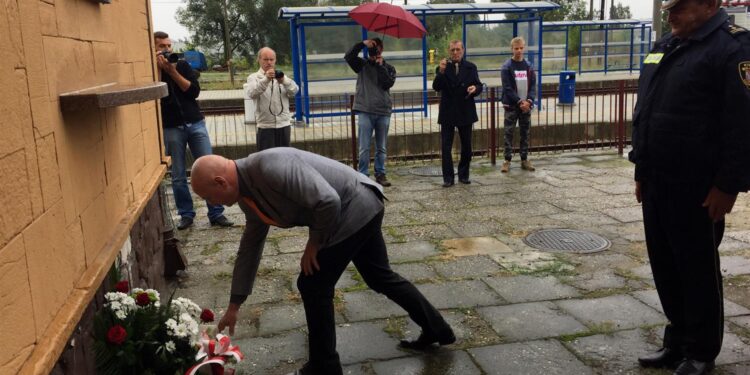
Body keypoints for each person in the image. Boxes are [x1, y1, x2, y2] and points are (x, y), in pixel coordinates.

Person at [190, 149, 455, 375]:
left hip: (354, 207)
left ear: (220, 182)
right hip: (361, 207)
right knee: (379, 277)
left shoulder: (270, 166)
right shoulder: (248, 196)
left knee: (313, 284)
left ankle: (324, 366)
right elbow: (250, 247)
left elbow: (328, 201)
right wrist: (235, 304)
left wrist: (314, 244)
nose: (213, 204)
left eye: (208, 197)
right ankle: (437, 329)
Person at [629, 1, 750, 374]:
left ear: (709, 5)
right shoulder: (666, 45)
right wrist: (641, 169)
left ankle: (701, 351)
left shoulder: (732, 48)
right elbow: (646, 109)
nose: (671, 13)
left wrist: (728, 185)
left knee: (696, 270)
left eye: (680, 6)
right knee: (665, 267)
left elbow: (742, 123)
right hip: (657, 180)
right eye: (669, 7)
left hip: (698, 187)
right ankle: (677, 341)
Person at [154, 31, 232, 230]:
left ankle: (216, 213)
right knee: (178, 174)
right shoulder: (151, 71)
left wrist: (172, 72)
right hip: (171, 127)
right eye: (162, 46)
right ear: (153, 48)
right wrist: (160, 71)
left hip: (195, 123)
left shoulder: (181, 65)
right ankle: (186, 215)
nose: (167, 49)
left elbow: (194, 91)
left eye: (169, 45)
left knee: (210, 168)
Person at [345, 38, 397, 187]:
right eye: (372, 49)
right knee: (364, 147)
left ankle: (380, 173)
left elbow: (387, 83)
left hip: (383, 111)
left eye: (377, 49)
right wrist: (361, 44)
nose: (374, 52)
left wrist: (380, 65)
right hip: (365, 110)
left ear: (382, 50)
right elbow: (348, 57)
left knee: (382, 147)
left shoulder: (389, 68)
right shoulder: (362, 65)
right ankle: (363, 175)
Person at [432, 40, 483, 187]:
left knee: (466, 146)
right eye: (452, 50)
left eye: (458, 50)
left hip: (465, 111)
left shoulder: (471, 67)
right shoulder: (443, 67)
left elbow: (479, 85)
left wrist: (475, 89)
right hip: (448, 112)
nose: (455, 53)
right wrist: (440, 72)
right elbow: (436, 86)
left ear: (463, 50)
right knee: (446, 147)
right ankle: (448, 178)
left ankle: (463, 174)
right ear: (449, 51)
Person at [245, 47, 299, 150]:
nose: (269, 62)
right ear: (259, 60)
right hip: (265, 126)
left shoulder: (281, 76)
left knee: (285, 158)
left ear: (275, 60)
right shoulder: (253, 77)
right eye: (265, 59)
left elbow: (294, 91)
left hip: (284, 124)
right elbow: (252, 93)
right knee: (266, 160)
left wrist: (284, 81)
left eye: (271, 59)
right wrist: (266, 79)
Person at [500, 37, 537, 173]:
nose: (519, 50)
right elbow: (507, 88)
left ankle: (524, 159)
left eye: (521, 48)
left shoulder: (529, 66)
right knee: (508, 133)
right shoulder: (506, 67)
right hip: (512, 106)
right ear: (512, 49)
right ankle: (507, 160)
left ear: (524, 48)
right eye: (516, 48)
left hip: (526, 106)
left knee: (525, 133)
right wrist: (520, 102)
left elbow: (533, 85)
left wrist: (529, 101)